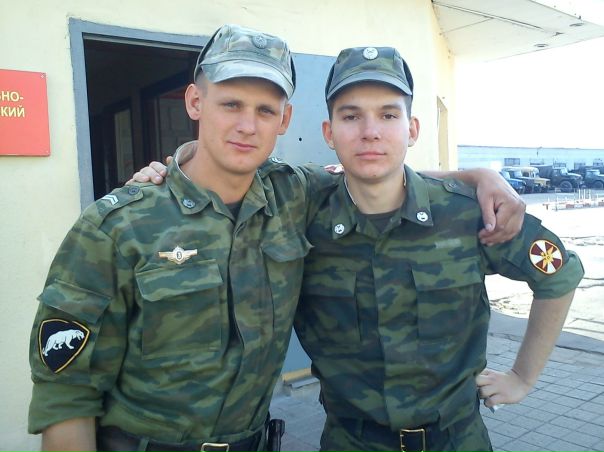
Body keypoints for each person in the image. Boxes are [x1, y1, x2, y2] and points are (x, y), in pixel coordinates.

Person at [29, 25, 521, 452]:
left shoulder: (295, 193)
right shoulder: (117, 227)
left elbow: (376, 172)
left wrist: (478, 175)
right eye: (231, 104)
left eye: (266, 110)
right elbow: (66, 398)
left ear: (284, 120)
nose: (247, 125)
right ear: (195, 102)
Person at [291, 47, 583, 451]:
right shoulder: (304, 217)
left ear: (412, 129)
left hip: (456, 440)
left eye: (388, 115)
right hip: (352, 442)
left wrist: (521, 377)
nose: (370, 131)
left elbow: (559, 275)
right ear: (329, 132)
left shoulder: (467, 212)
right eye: (351, 116)